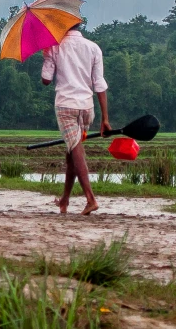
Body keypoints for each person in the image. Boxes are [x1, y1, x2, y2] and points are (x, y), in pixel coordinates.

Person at [41, 23, 111, 215]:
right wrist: (105, 118)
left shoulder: (54, 47)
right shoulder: (93, 47)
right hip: (87, 108)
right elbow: (99, 84)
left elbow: (46, 79)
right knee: (71, 151)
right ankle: (64, 200)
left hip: (65, 107)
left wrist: (46, 56)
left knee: (75, 149)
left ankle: (90, 198)